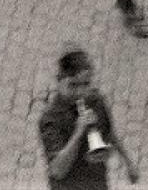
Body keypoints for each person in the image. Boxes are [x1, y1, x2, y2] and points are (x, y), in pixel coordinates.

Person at [37, 48, 139, 186]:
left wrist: (128, 163)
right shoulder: (50, 119)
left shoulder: (96, 100)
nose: (80, 92)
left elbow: (110, 133)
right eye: (72, 85)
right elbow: (57, 170)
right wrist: (78, 132)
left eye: (86, 84)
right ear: (59, 80)